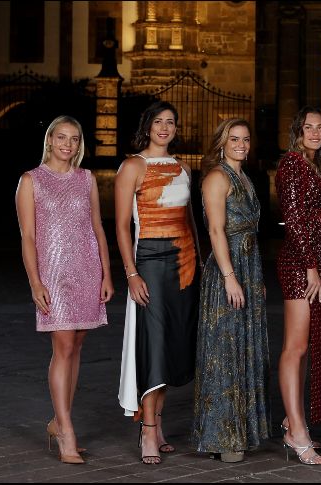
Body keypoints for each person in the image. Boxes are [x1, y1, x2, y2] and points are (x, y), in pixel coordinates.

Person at [15, 115, 113, 465]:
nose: (67, 145)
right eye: (61, 137)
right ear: (50, 140)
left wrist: (106, 274)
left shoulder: (86, 178)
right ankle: (67, 432)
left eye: (74, 139)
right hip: (53, 273)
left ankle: (58, 421)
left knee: (77, 346)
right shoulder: (31, 180)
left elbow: (98, 227)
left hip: (87, 268)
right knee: (64, 345)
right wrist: (35, 281)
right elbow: (27, 236)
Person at [116, 101, 201, 465]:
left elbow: (191, 220)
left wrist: (200, 258)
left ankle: (158, 424)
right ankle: (147, 429)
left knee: (173, 343)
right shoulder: (133, 166)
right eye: (158, 121)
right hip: (148, 260)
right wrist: (131, 273)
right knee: (152, 341)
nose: (164, 127)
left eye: (171, 122)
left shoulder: (184, 168)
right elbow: (120, 225)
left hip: (185, 262)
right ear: (147, 126)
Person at [192, 118, 271, 463]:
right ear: (222, 142)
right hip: (227, 270)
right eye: (234, 139)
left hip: (248, 270)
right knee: (223, 351)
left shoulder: (245, 178)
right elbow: (215, 229)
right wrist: (229, 276)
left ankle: (241, 431)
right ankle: (221, 437)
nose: (241, 144)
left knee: (244, 350)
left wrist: (256, 279)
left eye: (245, 139)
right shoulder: (216, 177)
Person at [275, 106, 321, 466]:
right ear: (298, 130)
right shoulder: (292, 164)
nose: (315, 132)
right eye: (308, 127)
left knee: (304, 344)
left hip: (313, 261)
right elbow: (293, 219)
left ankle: (291, 416)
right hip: (300, 264)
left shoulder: (314, 165)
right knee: (295, 347)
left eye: (320, 127)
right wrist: (311, 266)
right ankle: (296, 431)